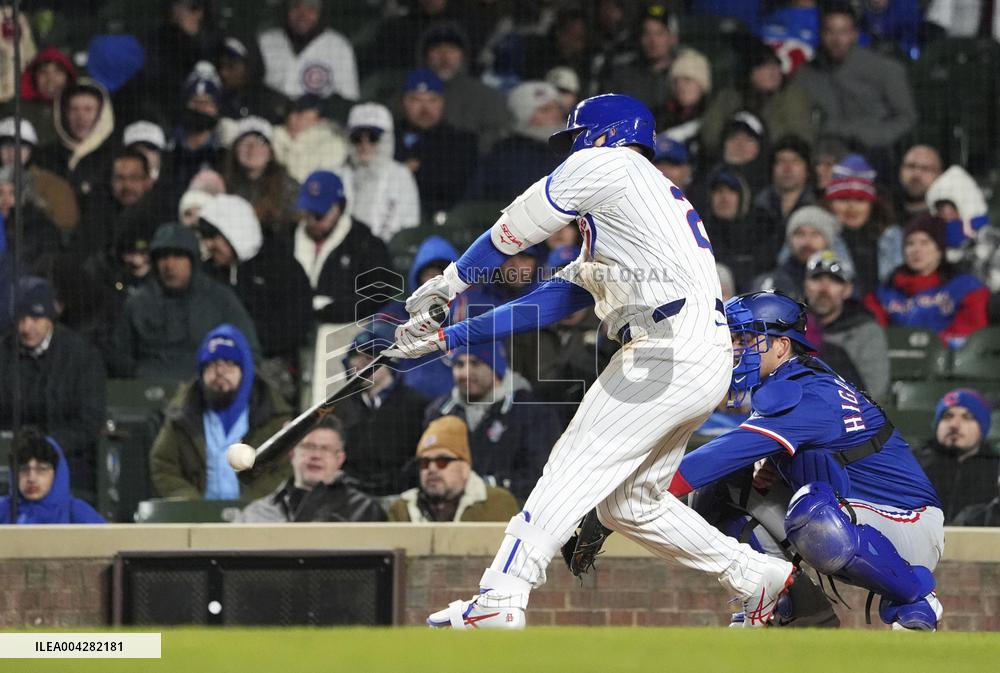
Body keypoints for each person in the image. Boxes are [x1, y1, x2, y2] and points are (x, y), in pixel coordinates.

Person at [385, 93, 799, 629]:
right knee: (629, 505)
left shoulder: (610, 163)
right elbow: (549, 302)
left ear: (605, 134)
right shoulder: (630, 214)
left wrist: (449, 282)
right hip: (699, 353)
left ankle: (502, 593)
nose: (571, 150)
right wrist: (448, 338)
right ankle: (755, 576)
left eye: (577, 138)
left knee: (573, 462)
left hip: (667, 345)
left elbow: (513, 230)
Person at [664, 291, 945, 630]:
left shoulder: (806, 392)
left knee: (811, 511)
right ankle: (791, 604)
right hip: (852, 511)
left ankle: (916, 596)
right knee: (719, 490)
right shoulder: (791, 379)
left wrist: (641, 490)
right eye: (733, 339)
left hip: (907, 521)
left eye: (747, 339)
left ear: (782, 346)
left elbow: (716, 457)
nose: (736, 349)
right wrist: (777, 465)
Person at [149, 324, 292, 500]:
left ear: (246, 371)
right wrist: (190, 502)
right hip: (198, 514)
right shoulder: (182, 416)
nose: (219, 372)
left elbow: (287, 468)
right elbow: (162, 464)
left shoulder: (273, 416)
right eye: (211, 365)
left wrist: (253, 504)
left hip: (257, 513)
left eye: (229, 364)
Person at [109, 222, 261, 378]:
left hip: (205, 386)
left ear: (193, 260)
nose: (169, 265)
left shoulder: (220, 300)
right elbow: (118, 357)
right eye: (163, 257)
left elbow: (249, 353)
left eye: (178, 256)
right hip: (149, 387)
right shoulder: (138, 303)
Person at [0, 278, 106, 499]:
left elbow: (89, 422)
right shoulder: (4, 354)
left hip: (67, 459)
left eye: (35, 318)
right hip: (11, 461)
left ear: (50, 317)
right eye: (20, 319)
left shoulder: (81, 356)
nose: (26, 327)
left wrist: (45, 447)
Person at [424, 342, 559, 502]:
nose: (466, 373)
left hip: (511, 508)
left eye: (476, 363)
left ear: (496, 368)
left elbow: (540, 474)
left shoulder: (532, 412)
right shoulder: (439, 412)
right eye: (459, 364)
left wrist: (485, 486)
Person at [197, 193, 312, 369]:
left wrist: (245, 345)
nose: (208, 245)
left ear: (233, 231)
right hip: (213, 360)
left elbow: (296, 324)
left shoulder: (281, 267)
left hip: (270, 362)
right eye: (204, 237)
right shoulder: (206, 272)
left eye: (213, 236)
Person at [793, 2, 916, 160]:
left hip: (874, 156)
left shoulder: (885, 69)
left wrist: (871, 137)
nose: (837, 40)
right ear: (821, 34)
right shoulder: (807, 73)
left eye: (843, 32)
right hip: (822, 158)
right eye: (830, 32)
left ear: (855, 34)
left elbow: (906, 119)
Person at [332, 323, 430, 497]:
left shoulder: (418, 406)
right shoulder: (338, 408)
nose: (361, 364)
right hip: (349, 495)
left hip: (401, 495)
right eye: (355, 357)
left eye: (370, 358)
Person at [865, 214, 989, 348]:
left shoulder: (966, 288)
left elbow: (971, 334)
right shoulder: (884, 293)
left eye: (925, 242)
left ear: (939, 250)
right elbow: (873, 335)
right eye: (910, 243)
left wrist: (929, 345)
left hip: (948, 357)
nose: (916, 250)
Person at [235, 416, 385, 523]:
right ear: (292, 453)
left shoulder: (365, 511)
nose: (316, 455)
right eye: (308, 447)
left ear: (339, 459)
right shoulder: (256, 513)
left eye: (325, 449)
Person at [291, 170, 394, 323]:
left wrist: (329, 309)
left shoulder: (365, 243)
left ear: (339, 208)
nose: (311, 221)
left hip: (344, 328)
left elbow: (379, 294)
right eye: (307, 213)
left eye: (319, 215)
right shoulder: (287, 238)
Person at [388, 415, 521, 522]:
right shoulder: (402, 509)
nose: (431, 468)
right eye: (424, 463)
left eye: (442, 461)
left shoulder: (497, 503)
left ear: (465, 468)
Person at [700, 36, 815, 158]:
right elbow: (710, 134)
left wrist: (760, 147)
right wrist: (734, 144)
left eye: (776, 66)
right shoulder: (729, 97)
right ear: (750, 73)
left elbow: (802, 139)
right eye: (765, 67)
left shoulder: (791, 97)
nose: (773, 72)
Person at [803, 250, 889, 401]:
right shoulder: (791, 328)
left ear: (848, 289)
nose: (824, 289)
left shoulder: (866, 331)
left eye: (834, 280)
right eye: (817, 279)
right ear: (805, 286)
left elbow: (874, 391)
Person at [464, 81, 565, 204]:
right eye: (545, 110)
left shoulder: (575, 146)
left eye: (558, 108)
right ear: (523, 115)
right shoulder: (505, 155)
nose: (556, 114)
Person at [394, 69, 478, 216]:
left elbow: (455, 187)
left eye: (432, 100)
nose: (425, 109)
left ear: (442, 102)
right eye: (416, 100)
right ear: (404, 102)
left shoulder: (461, 141)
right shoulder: (389, 137)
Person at [35, 79, 115, 232]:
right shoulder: (44, 156)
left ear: (101, 114)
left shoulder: (114, 157)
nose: (81, 117)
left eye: (88, 109)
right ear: (63, 113)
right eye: (73, 109)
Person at [419, 21, 509, 153]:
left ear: (463, 56)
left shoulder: (488, 96)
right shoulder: (406, 96)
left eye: (452, 49)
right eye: (436, 49)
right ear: (425, 56)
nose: (444, 56)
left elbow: (497, 138)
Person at [916, 388, 999, 524]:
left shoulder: (996, 469)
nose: (954, 425)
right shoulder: (911, 464)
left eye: (967, 417)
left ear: (982, 427)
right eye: (947, 416)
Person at [342, 103, 420, 243]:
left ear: (386, 140)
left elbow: (408, 229)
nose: (364, 145)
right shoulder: (340, 175)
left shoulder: (400, 176)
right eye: (357, 138)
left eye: (373, 138)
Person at [824, 153, 900, 293]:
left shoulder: (892, 237)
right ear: (830, 204)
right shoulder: (817, 235)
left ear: (871, 205)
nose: (852, 207)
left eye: (860, 200)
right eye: (843, 199)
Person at [257, 0, 359, 102]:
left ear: (321, 12)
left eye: (311, 8)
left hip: (318, 111)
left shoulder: (338, 46)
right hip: (270, 110)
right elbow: (252, 89)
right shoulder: (265, 41)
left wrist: (319, 109)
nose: (302, 15)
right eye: (295, 6)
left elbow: (348, 100)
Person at [0, 426, 105, 524]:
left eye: (41, 469)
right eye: (24, 470)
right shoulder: (3, 509)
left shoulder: (77, 512)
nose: (31, 478)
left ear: (57, 473)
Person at [755, 205, 853, 301]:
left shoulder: (844, 282)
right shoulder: (769, 284)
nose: (807, 241)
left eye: (815, 234)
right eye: (800, 234)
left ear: (828, 241)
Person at [221, 115, 300, 235]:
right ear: (235, 150)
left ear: (270, 152)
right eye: (245, 142)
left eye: (260, 142)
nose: (252, 149)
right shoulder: (222, 184)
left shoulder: (288, 188)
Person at [0, 117, 79, 233]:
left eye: (21, 147)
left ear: (30, 152)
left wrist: (37, 205)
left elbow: (67, 222)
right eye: (6, 146)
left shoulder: (51, 184)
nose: (12, 153)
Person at [3, 46, 77, 147]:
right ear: (33, 77)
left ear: (68, 77)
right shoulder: (14, 109)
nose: (50, 79)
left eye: (58, 72)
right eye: (43, 72)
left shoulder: (77, 108)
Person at [271, 95, 348, 184]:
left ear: (320, 121)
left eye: (307, 119)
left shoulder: (333, 143)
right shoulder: (274, 133)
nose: (299, 121)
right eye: (297, 114)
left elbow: (299, 174)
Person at [216, 36, 289, 124]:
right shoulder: (216, 101)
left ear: (250, 67)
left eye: (231, 66)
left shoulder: (274, 103)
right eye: (221, 66)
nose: (223, 73)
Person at [752, 136, 815, 229]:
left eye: (795, 161)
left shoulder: (818, 207)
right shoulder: (756, 207)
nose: (787, 169)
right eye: (781, 161)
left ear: (807, 169)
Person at [896, 144, 943, 222]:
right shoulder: (884, 212)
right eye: (911, 166)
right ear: (901, 170)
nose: (916, 174)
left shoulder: (947, 216)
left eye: (925, 168)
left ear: (939, 175)